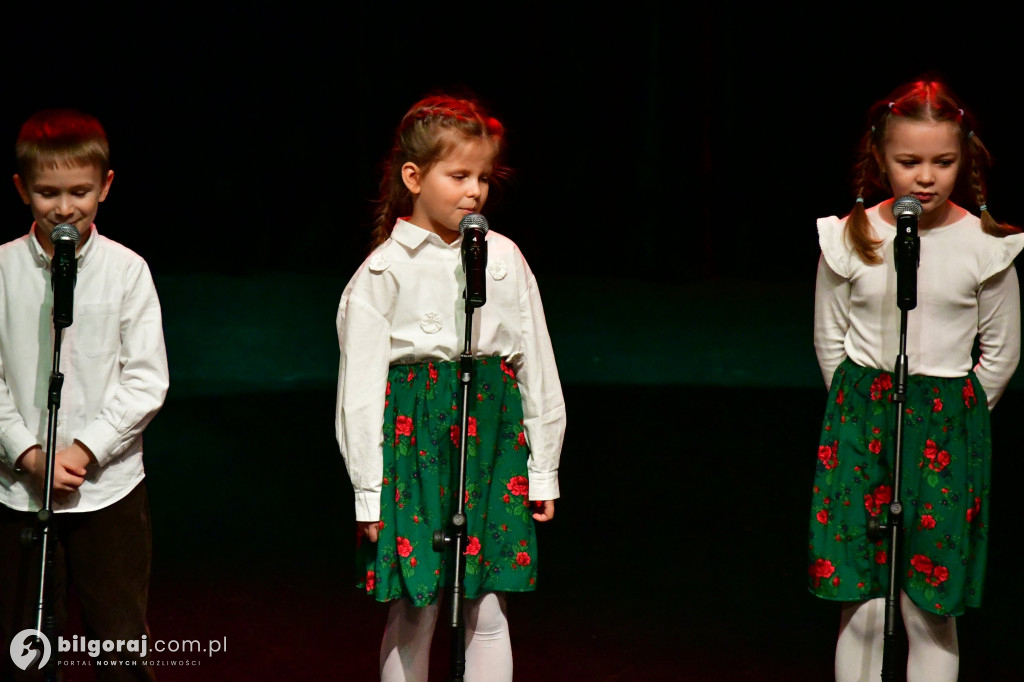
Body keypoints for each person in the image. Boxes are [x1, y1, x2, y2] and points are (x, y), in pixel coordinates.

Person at [335, 94, 566, 681]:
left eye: (483, 177)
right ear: (413, 177)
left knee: (489, 602)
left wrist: (544, 468)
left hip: (491, 444)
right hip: (415, 453)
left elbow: (536, 365)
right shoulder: (381, 276)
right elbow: (357, 398)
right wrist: (369, 491)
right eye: (458, 175)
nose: (474, 192)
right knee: (418, 605)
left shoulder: (504, 259)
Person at [807, 78, 1024, 682]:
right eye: (909, 162)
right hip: (861, 415)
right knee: (865, 598)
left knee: (930, 601)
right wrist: (860, 407)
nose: (925, 177)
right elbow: (831, 338)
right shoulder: (850, 236)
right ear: (881, 160)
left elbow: (1000, 353)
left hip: (946, 424)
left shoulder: (987, 245)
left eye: (942, 162)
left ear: (965, 161)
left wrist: (956, 414)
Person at [0, 109, 169, 680]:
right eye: (48, 192)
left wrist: (84, 449)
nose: (64, 208)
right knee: (26, 645)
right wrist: (26, 451)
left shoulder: (128, 271)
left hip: (108, 492)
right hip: (17, 491)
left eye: (80, 192)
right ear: (23, 188)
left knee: (118, 644)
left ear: (106, 187)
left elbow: (146, 378)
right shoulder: (0, 270)